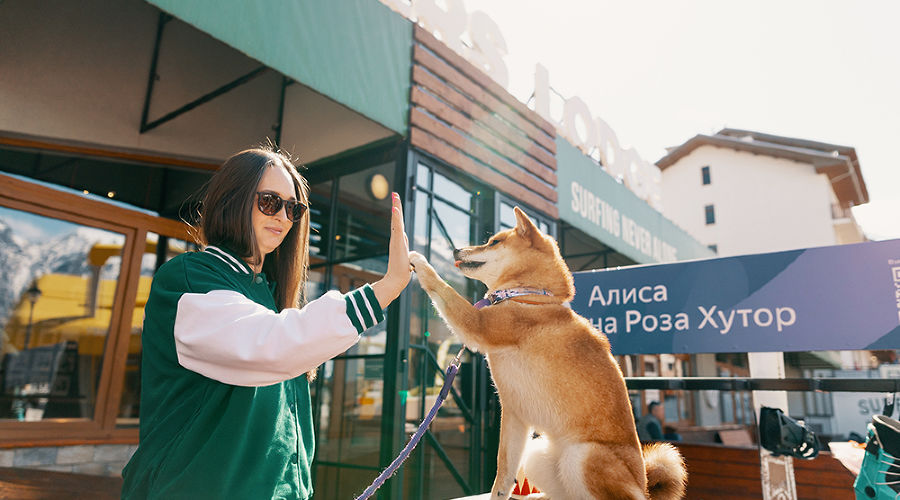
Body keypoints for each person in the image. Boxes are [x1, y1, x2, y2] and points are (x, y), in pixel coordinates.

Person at [121, 147, 411, 499]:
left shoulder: (270, 297)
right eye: (271, 201)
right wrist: (386, 288)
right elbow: (270, 345)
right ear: (233, 199)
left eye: (294, 208)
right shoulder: (188, 278)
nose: (285, 217)